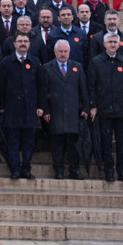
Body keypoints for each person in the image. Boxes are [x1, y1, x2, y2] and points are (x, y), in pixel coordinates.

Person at [87, 32, 123, 182]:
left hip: (121, 109)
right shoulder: (96, 61)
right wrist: (93, 105)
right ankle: (108, 170)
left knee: (122, 142)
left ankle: (122, 170)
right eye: (110, 42)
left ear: (119, 44)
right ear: (104, 44)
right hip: (104, 109)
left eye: (115, 42)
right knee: (106, 142)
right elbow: (91, 86)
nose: (113, 44)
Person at [40, 40, 89, 180]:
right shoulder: (47, 68)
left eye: (65, 51)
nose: (63, 54)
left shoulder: (77, 67)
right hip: (55, 112)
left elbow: (83, 89)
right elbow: (43, 91)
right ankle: (59, 169)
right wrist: (46, 110)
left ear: (69, 52)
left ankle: (74, 169)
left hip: (73, 111)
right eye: (60, 51)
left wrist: (86, 107)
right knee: (57, 143)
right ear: (55, 52)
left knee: (73, 143)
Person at [0, 32, 43, 179]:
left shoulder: (35, 62)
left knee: (29, 142)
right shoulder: (6, 63)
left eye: (25, 41)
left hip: (30, 109)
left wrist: (41, 106)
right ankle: (15, 169)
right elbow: (0, 86)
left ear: (29, 44)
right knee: (13, 142)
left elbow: (41, 87)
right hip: (12, 109)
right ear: (14, 44)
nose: (23, 44)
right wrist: (1, 105)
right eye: (20, 41)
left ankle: (26, 169)